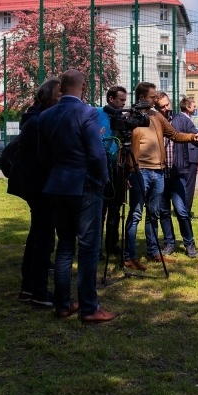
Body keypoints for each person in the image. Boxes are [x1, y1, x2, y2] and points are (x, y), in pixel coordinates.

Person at [38, 69, 117, 323]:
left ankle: (62, 305)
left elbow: (43, 156)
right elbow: (96, 153)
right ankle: (89, 308)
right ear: (83, 86)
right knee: (88, 248)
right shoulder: (88, 112)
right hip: (85, 187)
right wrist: (104, 179)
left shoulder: (46, 115)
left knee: (64, 247)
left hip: (57, 186)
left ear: (61, 87)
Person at [123, 82, 198, 271]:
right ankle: (130, 256)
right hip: (139, 171)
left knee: (154, 214)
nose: (155, 99)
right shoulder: (131, 117)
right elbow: (125, 146)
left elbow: (174, 134)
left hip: (158, 172)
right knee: (135, 214)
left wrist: (193, 137)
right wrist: (128, 171)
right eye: (152, 96)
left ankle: (153, 252)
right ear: (143, 96)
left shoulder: (156, 116)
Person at [8, 78, 61, 307]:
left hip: (32, 184)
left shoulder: (35, 118)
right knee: (43, 238)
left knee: (38, 235)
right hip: (39, 186)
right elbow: (45, 157)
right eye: (61, 94)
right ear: (51, 98)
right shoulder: (40, 121)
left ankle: (29, 288)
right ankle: (38, 291)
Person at [152, 93, 198, 258]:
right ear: (156, 107)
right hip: (159, 174)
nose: (167, 108)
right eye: (162, 107)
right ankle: (169, 243)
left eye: (167, 105)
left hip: (177, 173)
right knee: (163, 212)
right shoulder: (154, 119)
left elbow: (195, 135)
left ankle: (189, 243)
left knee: (181, 210)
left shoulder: (181, 120)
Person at [97, 86, 127, 257]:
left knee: (115, 209)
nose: (124, 104)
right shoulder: (96, 114)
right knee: (100, 210)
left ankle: (112, 243)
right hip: (102, 168)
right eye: (121, 100)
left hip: (118, 169)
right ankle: (97, 247)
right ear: (110, 99)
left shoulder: (122, 118)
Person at [178, 97, 198, 214]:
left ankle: (184, 209)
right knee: (189, 185)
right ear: (187, 107)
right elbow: (195, 135)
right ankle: (186, 210)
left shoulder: (183, 119)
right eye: (193, 106)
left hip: (188, 156)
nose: (195, 108)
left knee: (185, 184)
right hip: (190, 156)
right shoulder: (185, 120)